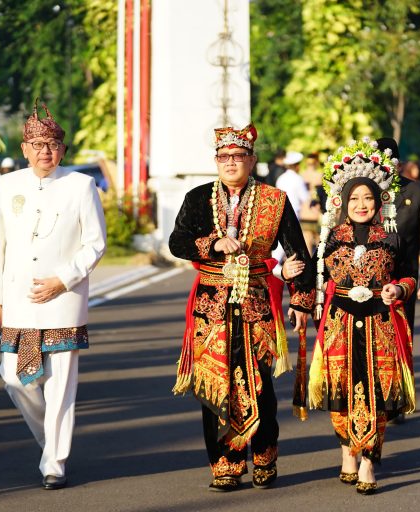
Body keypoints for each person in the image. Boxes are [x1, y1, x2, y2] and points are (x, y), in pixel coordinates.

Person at [168, 123, 315, 492]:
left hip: (257, 304)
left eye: (238, 156)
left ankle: (264, 456)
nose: (231, 162)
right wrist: (214, 244)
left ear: (252, 160)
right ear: (216, 160)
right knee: (214, 384)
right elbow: (177, 242)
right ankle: (225, 464)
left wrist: (300, 299)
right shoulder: (197, 197)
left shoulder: (274, 200)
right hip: (210, 308)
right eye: (224, 157)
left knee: (259, 382)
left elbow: (298, 252)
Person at [0, 100, 107, 490]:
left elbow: (95, 243)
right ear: (24, 149)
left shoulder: (81, 185)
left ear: (63, 150)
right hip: (18, 301)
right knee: (14, 378)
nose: (45, 152)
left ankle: (55, 463)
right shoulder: (8, 184)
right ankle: (48, 443)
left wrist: (64, 278)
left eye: (52, 145)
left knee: (60, 385)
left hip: (62, 300)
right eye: (36, 145)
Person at [307, 137, 416, 495]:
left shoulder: (392, 238)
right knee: (340, 389)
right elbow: (312, 277)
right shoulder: (330, 239)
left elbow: (409, 277)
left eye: (368, 198)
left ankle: (369, 460)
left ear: (380, 200)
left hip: (379, 324)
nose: (361, 204)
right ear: (342, 200)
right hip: (338, 323)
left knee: (378, 393)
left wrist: (398, 290)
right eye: (354, 198)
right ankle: (346, 452)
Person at [376, 138, 420, 318]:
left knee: (400, 338)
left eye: (388, 165)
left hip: (403, 280)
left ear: (399, 166)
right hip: (368, 280)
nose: (382, 170)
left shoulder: (417, 192)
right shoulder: (363, 192)